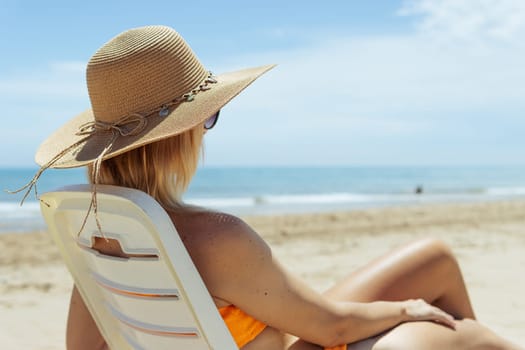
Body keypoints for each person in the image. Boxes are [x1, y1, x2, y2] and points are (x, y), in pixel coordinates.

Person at [24, 25, 521, 350]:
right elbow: (335, 329)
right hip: (304, 336)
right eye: (208, 116)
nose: (206, 129)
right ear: (178, 137)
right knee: (464, 335)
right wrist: (406, 310)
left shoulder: (97, 236)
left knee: (433, 255)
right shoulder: (216, 237)